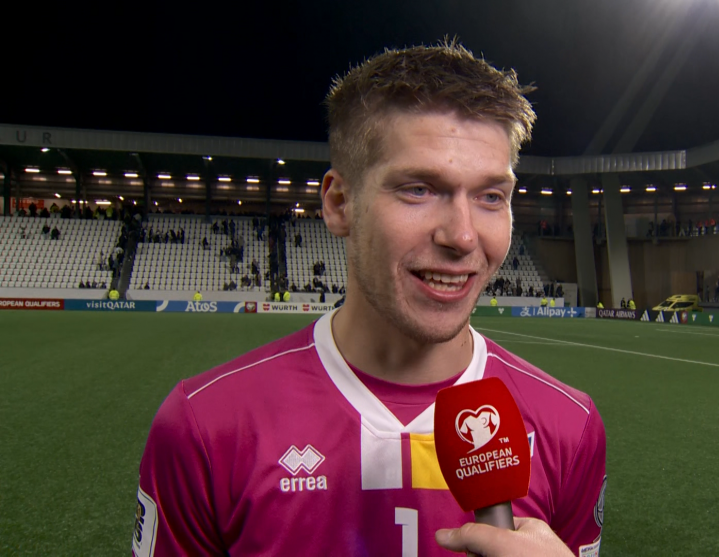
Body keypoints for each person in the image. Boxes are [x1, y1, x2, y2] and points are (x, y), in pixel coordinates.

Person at [132, 42, 602, 557]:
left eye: (491, 197)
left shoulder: (569, 426)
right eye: (419, 189)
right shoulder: (205, 425)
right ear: (339, 203)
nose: (463, 236)